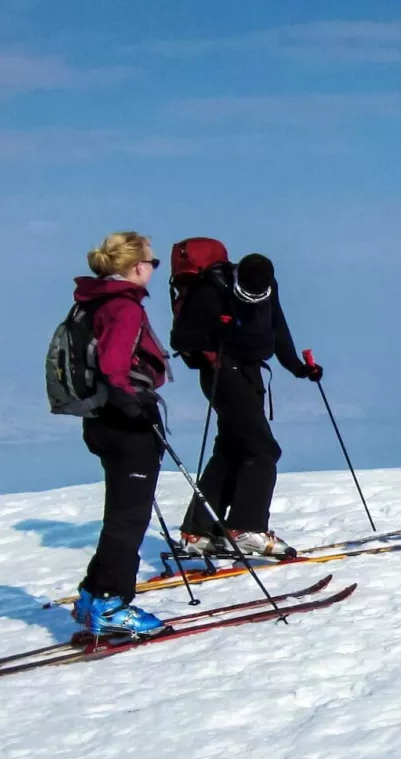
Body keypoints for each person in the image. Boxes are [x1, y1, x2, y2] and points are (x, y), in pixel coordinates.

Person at [172, 252, 322, 557]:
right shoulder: (213, 290)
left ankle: (197, 532)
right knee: (263, 449)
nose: (255, 297)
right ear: (238, 276)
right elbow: (180, 339)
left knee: (232, 449)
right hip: (222, 374)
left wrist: (297, 367)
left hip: (249, 373)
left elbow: (277, 326)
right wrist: (216, 331)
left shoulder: (268, 285)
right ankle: (246, 529)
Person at [71, 231, 172, 636]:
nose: (153, 268)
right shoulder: (123, 307)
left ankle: (93, 595)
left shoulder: (91, 301)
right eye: (152, 261)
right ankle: (111, 605)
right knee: (129, 518)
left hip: (99, 420)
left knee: (120, 514)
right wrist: (135, 405)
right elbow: (113, 366)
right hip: (126, 423)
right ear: (138, 266)